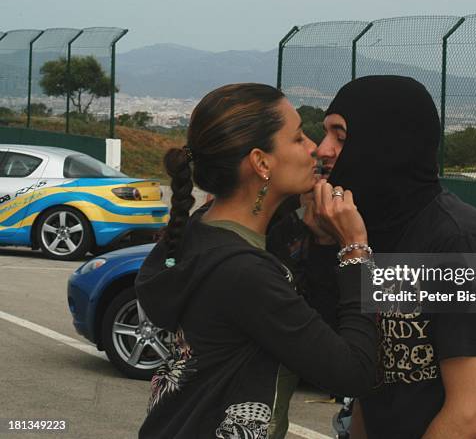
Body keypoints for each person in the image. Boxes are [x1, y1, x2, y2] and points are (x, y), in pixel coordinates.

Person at [273, 75, 476, 438]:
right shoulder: (370, 232)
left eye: (341, 136)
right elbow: (371, 382)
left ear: (386, 144)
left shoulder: (460, 243)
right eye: (326, 133)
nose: (322, 149)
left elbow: (470, 416)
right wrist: (325, 243)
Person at [134, 83, 379, 439]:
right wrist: (355, 249)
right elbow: (353, 372)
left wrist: (315, 236)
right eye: (298, 139)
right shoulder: (242, 272)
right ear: (261, 162)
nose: (315, 148)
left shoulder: (201, 231)